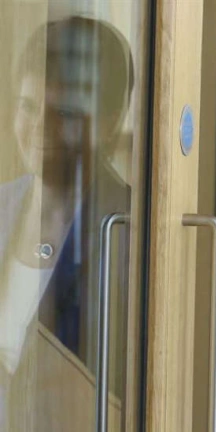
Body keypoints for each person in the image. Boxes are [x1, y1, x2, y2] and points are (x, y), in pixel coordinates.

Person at [0, 16, 133, 430]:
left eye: (63, 111)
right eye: (27, 105)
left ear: (108, 121)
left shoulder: (129, 228)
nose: (40, 125)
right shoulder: (2, 205)